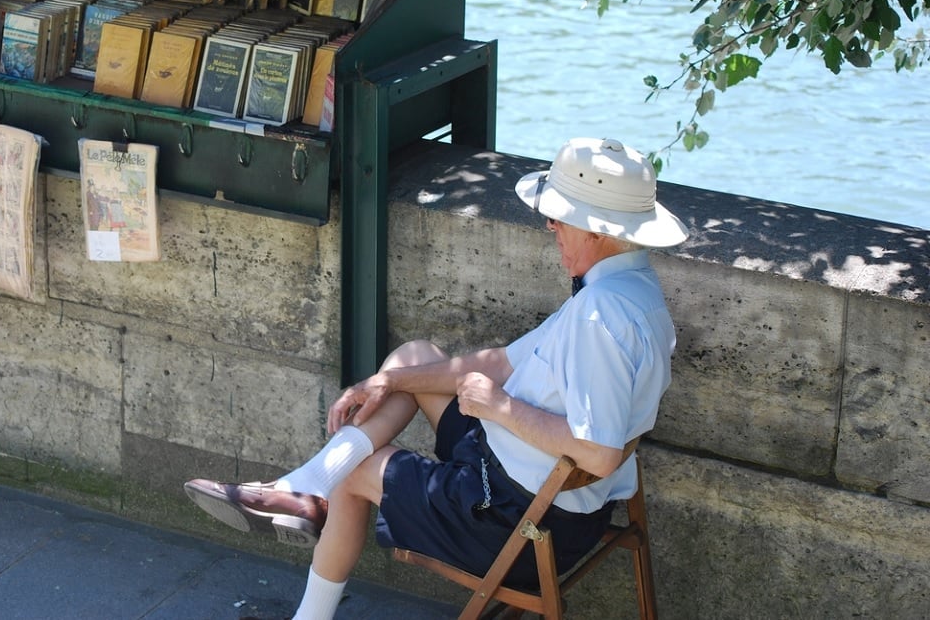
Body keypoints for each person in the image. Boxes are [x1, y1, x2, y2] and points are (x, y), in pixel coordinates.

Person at [184, 137, 690, 620]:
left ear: (596, 230)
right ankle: (305, 488)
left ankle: (313, 519)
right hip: (536, 489)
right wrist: (388, 383)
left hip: (519, 522)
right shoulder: (633, 289)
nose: (550, 227)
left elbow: (597, 453)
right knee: (412, 360)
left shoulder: (598, 318)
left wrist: (499, 407)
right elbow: (504, 362)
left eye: (559, 219)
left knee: (358, 473)